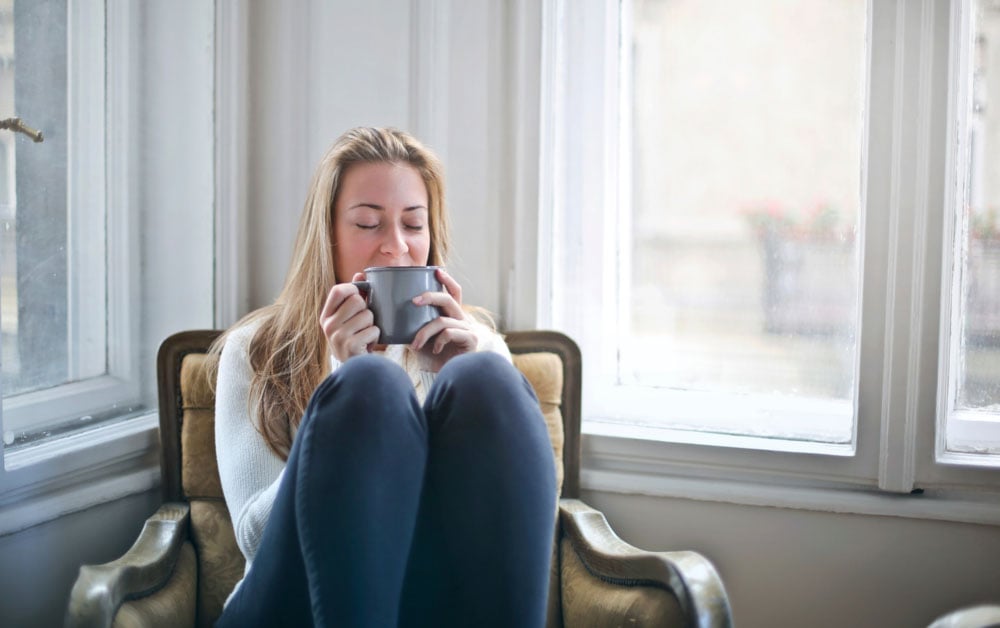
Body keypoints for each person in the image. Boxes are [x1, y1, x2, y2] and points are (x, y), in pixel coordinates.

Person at [209, 127, 557, 628]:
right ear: (327, 234)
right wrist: (341, 377)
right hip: (288, 604)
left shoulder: (476, 346)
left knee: (486, 375)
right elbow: (256, 541)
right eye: (369, 224)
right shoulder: (255, 350)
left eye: (414, 225)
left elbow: (517, 530)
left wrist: (451, 375)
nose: (396, 248)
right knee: (369, 387)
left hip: (429, 606)